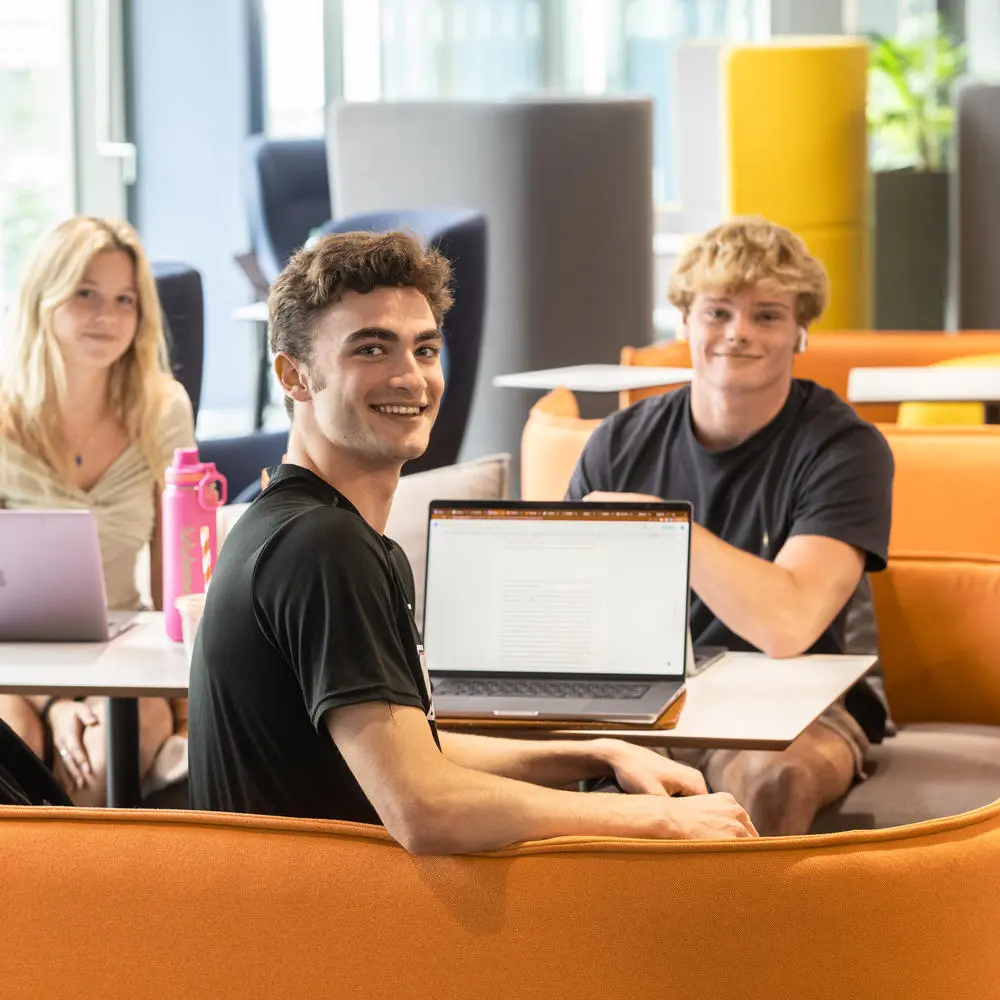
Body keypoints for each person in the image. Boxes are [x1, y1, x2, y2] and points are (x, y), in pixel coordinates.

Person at [188, 230, 757, 851]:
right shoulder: (325, 547)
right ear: (294, 376)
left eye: (425, 349)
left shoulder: (301, 526)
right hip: (327, 930)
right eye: (372, 349)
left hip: (294, 911)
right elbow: (427, 808)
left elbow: (414, 752)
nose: (411, 378)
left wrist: (597, 751)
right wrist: (662, 821)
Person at [567, 216, 894, 836]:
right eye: (718, 312)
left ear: (800, 331)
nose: (738, 333)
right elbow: (572, 609)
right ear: (685, 321)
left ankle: (744, 934)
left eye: (767, 315)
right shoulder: (618, 441)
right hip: (646, 701)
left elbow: (789, 625)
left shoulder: (845, 447)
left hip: (797, 706)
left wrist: (666, 530)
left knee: (776, 779)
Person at [0, 216, 195, 805]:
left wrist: (188, 709)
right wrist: (59, 702)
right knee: (12, 751)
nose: (106, 317)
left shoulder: (161, 407)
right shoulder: (4, 412)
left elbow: (178, 589)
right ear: (45, 296)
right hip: (17, 661)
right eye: (86, 294)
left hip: (124, 655)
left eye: (123, 300)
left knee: (103, 766)